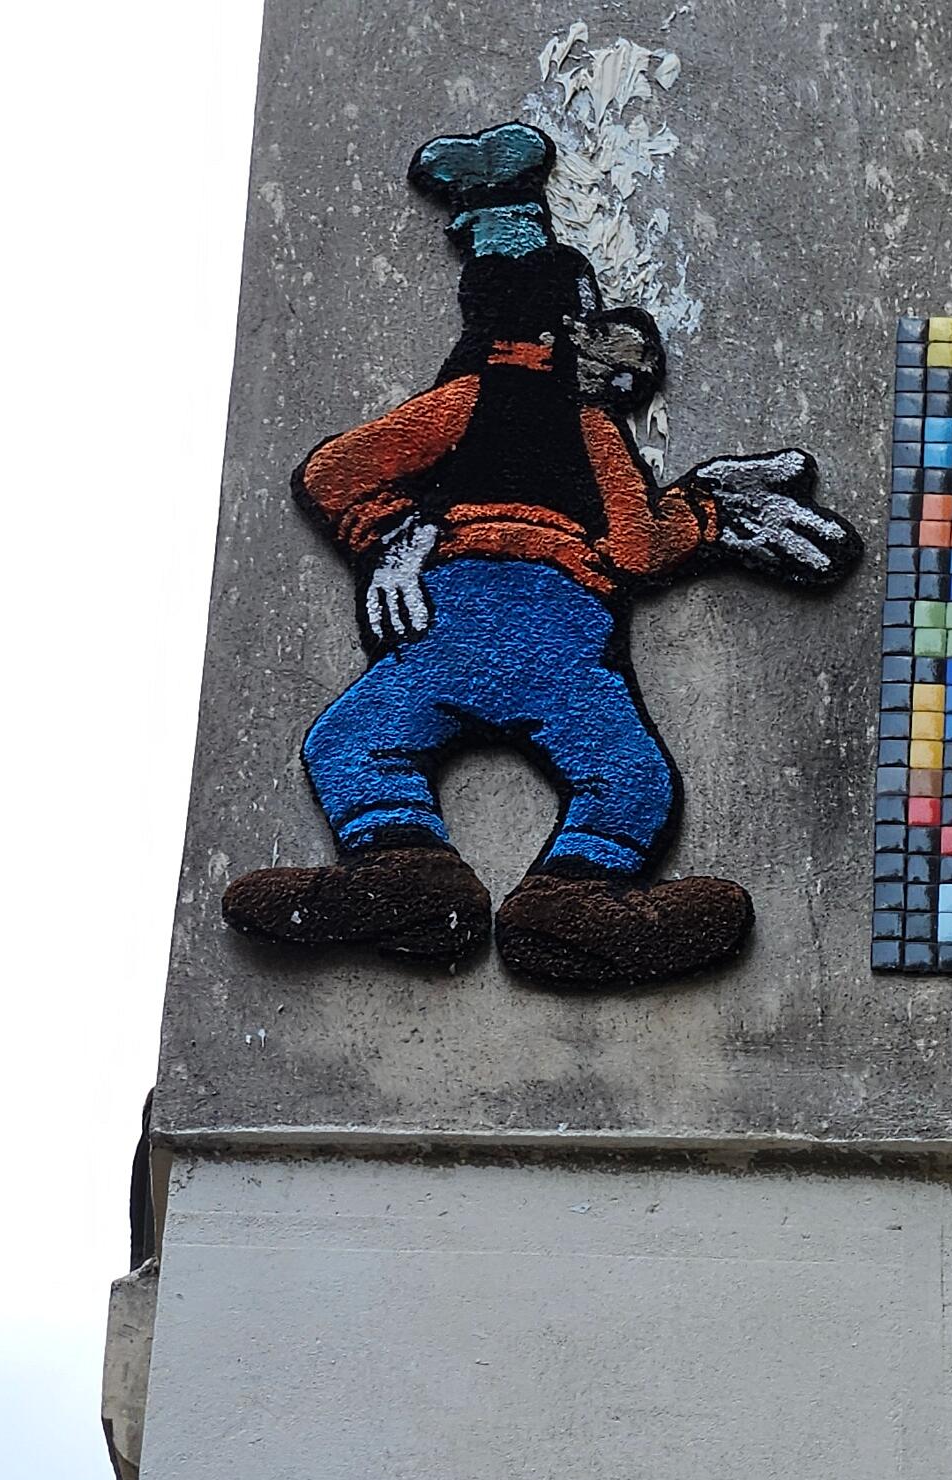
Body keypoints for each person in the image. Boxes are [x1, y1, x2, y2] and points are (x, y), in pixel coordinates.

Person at [222, 122, 859, 987]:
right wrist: (707, 516)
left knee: (354, 742)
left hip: (446, 625)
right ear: (574, 330)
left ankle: (406, 872)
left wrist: (392, 533)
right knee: (626, 776)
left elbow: (336, 473)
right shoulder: (592, 428)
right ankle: (570, 900)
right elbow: (639, 548)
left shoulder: (465, 401)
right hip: (563, 637)